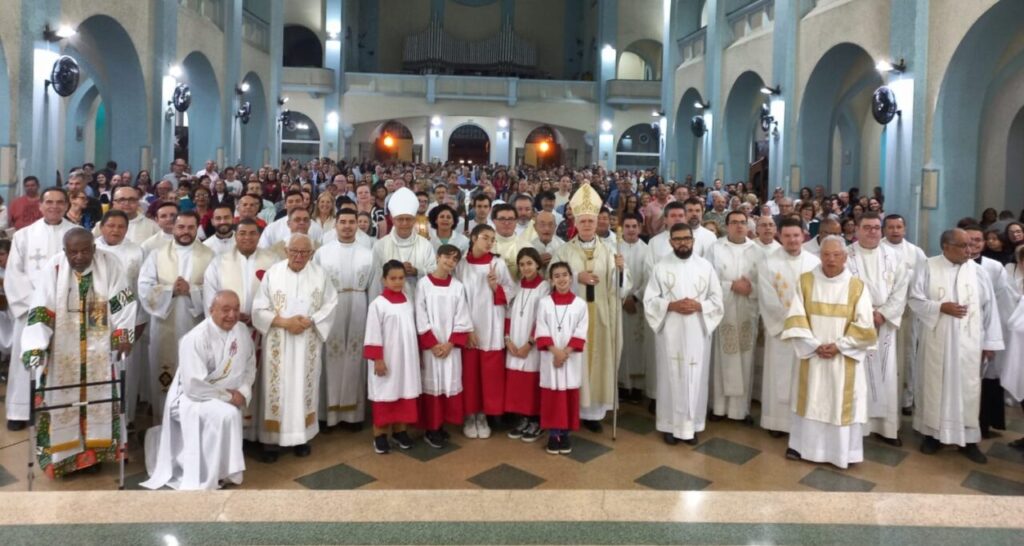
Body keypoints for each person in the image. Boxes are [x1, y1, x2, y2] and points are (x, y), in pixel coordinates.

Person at [20, 228, 137, 477]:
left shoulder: (110, 263)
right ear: (65, 251)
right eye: (73, 252)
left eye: (85, 250)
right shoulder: (54, 267)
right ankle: (64, 459)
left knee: (100, 398)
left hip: (100, 345)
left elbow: (122, 301)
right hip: (64, 347)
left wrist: (123, 334)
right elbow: (41, 308)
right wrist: (35, 346)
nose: (80, 256)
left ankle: (95, 456)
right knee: (62, 402)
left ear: (94, 248)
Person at [141, 290, 256, 490]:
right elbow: (194, 385)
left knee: (228, 413)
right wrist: (229, 396)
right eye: (225, 310)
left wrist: (243, 392)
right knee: (227, 414)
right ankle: (211, 473)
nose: (232, 315)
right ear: (211, 310)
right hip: (189, 397)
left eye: (236, 309)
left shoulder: (242, 331)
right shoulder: (195, 338)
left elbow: (250, 364)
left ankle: (225, 472)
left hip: (224, 396)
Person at [780, 236, 877, 469]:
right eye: (826, 254)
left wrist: (839, 346)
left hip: (843, 359)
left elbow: (865, 325)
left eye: (836, 255)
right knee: (810, 398)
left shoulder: (857, 287)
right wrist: (814, 345)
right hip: (812, 356)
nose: (831, 259)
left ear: (845, 257)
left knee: (839, 403)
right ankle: (803, 447)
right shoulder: (805, 281)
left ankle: (842, 452)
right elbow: (795, 317)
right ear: (819, 255)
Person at [909, 228, 1003, 463]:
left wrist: (989, 343)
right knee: (934, 387)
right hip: (936, 340)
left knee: (968, 390)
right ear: (946, 246)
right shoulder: (928, 266)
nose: (969, 251)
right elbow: (914, 298)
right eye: (963, 246)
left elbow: (989, 308)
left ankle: (969, 440)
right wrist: (940, 307)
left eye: (971, 245)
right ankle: (933, 435)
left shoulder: (978, 272)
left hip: (969, 345)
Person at [251, 233, 338, 461]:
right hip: (278, 342)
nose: (299, 256)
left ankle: (301, 437)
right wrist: (285, 322)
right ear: (286, 251)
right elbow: (258, 309)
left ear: (311, 253)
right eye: (294, 251)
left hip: (307, 341)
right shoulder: (274, 273)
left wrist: (311, 320)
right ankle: (271, 442)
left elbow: (331, 304)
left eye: (304, 252)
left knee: (303, 386)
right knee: (276, 388)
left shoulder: (320, 274)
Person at [553, 183, 629, 432]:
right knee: (577, 360)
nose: (587, 225)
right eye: (583, 221)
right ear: (576, 221)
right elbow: (551, 279)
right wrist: (577, 278)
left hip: (601, 316)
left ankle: (594, 414)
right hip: (572, 318)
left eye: (591, 221)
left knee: (598, 362)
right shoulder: (563, 250)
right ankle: (573, 409)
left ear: (598, 223)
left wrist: (620, 271)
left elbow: (621, 288)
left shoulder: (609, 252)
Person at [644, 223, 724, 445]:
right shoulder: (660, 267)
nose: (682, 243)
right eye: (677, 239)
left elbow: (717, 301)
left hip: (698, 332)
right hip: (670, 332)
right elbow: (650, 301)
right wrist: (670, 305)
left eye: (686, 239)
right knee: (670, 377)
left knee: (696, 377)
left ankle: (693, 425)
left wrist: (699, 306)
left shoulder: (705, 267)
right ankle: (669, 426)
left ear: (693, 240)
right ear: (670, 242)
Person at [3, 187, 75, 430]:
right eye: (49, 202)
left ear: (67, 205)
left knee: (61, 360)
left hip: (65, 309)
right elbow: (14, 273)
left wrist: (61, 303)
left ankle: (55, 409)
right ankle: (20, 410)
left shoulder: (77, 234)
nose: (54, 206)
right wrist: (36, 304)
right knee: (26, 359)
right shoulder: (24, 235)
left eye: (59, 202)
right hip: (31, 310)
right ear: (41, 206)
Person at [202, 218, 278, 439]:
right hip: (230, 332)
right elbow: (211, 297)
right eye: (242, 233)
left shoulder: (272, 260)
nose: (247, 237)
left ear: (259, 235)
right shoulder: (219, 262)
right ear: (236, 235)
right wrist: (227, 321)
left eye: (252, 233)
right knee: (234, 376)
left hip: (263, 332)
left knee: (263, 379)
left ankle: (263, 433)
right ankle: (236, 435)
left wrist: (258, 317)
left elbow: (280, 295)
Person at [138, 211, 215, 419]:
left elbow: (216, 289)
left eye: (191, 227)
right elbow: (144, 287)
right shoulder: (157, 254)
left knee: (196, 372)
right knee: (165, 373)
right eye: (181, 227)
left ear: (197, 227)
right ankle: (163, 420)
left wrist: (191, 289)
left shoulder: (209, 255)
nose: (185, 232)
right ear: (173, 228)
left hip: (196, 323)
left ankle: (195, 421)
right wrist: (170, 290)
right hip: (164, 324)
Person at [844, 212, 910, 445]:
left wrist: (883, 313)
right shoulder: (846, 255)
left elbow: (901, 290)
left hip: (884, 324)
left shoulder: (894, 256)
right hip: (855, 324)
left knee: (886, 375)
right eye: (867, 227)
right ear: (857, 230)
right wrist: (864, 315)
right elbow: (841, 288)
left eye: (875, 227)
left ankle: (886, 428)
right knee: (857, 376)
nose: (872, 231)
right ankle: (857, 428)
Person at [757, 218, 820, 435]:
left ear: (803, 236)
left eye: (796, 235)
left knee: (804, 378)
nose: (792, 240)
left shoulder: (814, 263)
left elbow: (818, 297)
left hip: (807, 332)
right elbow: (768, 299)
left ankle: (802, 421)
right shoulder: (768, 263)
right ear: (779, 237)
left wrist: (806, 324)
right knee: (779, 375)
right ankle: (777, 422)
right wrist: (792, 323)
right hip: (781, 333)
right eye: (787, 236)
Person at [314, 209, 375, 429]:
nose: (347, 226)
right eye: (343, 222)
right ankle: (327, 414)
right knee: (331, 356)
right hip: (331, 306)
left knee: (355, 358)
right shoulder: (322, 252)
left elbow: (373, 286)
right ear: (335, 225)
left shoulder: (368, 252)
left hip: (359, 304)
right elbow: (317, 285)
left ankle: (353, 415)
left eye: (351, 222)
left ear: (357, 226)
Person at [457, 224, 515, 439]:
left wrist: (495, 288)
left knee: (489, 375)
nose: (490, 242)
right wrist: (466, 328)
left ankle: (483, 415)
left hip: (491, 325)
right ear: (473, 238)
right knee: (470, 375)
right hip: (468, 325)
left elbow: (511, 292)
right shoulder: (461, 265)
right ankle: (470, 415)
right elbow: (456, 297)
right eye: (485, 237)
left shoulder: (497, 263)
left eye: (493, 239)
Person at [415, 245, 473, 448]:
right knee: (432, 386)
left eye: (455, 259)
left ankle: (441, 425)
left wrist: (450, 344)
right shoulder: (423, 284)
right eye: (447, 257)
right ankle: (431, 428)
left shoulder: (457, 286)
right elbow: (420, 314)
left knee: (447, 384)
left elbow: (463, 316)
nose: (450, 262)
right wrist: (432, 343)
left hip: (449, 347)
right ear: (438, 257)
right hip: (432, 347)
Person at [707, 210, 760, 423]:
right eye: (735, 222)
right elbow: (707, 280)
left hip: (747, 311)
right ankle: (718, 408)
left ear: (748, 226)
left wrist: (751, 288)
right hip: (724, 311)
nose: (739, 226)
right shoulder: (715, 248)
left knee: (746, 359)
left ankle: (742, 410)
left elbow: (765, 283)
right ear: (727, 226)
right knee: (722, 359)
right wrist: (731, 286)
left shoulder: (756, 251)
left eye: (743, 222)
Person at [95, 210, 147, 426]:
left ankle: (125, 420)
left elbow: (141, 289)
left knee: (126, 372)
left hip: (128, 319)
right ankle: (99, 421)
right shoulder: (90, 249)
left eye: (121, 227)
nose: (115, 230)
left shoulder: (137, 251)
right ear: (101, 227)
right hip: (95, 321)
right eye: (111, 225)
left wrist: (139, 322)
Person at [962, 224, 1015, 439]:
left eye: (978, 240)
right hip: (956, 332)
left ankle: (982, 425)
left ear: (984, 243)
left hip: (984, 330)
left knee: (984, 381)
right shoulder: (947, 265)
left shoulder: (993, 267)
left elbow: (1003, 301)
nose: (974, 244)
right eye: (970, 240)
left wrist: (995, 338)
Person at [363, 260, 421, 454]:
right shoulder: (378, 304)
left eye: (401, 278)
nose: (397, 282)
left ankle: (400, 432)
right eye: (393, 278)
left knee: (403, 393)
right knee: (385, 395)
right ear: (384, 280)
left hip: (406, 359)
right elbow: (372, 333)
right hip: (387, 359)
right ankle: (379, 435)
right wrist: (377, 359)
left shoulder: (407, 300)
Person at [536, 261, 589, 455]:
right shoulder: (544, 303)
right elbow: (541, 328)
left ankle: (565, 433)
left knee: (568, 395)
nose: (561, 279)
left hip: (570, 358)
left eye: (564, 275)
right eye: (556, 276)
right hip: (551, 357)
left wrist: (564, 353)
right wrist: (554, 351)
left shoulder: (580, 304)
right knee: (552, 396)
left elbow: (581, 331)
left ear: (571, 278)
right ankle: (553, 434)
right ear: (551, 280)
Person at [881, 214, 927, 414]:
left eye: (898, 226)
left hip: (908, 313)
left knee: (908, 355)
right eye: (890, 227)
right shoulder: (878, 250)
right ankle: (882, 397)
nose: (895, 230)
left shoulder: (916, 253)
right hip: (883, 313)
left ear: (905, 229)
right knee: (883, 355)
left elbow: (924, 282)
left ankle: (906, 399)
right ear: (884, 229)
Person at [504, 248, 550, 443]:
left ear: (538, 264)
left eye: (529, 263)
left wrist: (530, 342)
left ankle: (536, 421)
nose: (525, 268)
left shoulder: (545, 287)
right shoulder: (515, 286)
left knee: (532, 382)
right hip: (514, 341)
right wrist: (507, 339)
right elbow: (506, 313)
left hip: (532, 344)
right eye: (522, 264)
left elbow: (543, 318)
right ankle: (524, 418)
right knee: (518, 383)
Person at [370, 187, 436, 298]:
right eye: (400, 219)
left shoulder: (425, 245)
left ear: (414, 219)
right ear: (392, 219)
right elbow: (375, 281)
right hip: (389, 305)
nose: (404, 223)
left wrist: (417, 271)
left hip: (418, 300)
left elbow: (434, 271)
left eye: (408, 219)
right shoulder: (380, 245)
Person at [617, 213, 651, 403]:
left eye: (634, 226)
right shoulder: (614, 249)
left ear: (640, 227)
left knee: (638, 345)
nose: (631, 230)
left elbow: (649, 279)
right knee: (621, 344)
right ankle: (622, 385)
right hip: (620, 305)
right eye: (627, 226)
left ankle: (637, 387)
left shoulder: (647, 251)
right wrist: (623, 299)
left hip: (638, 307)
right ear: (622, 228)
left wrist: (635, 298)